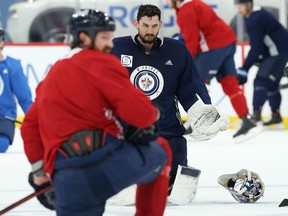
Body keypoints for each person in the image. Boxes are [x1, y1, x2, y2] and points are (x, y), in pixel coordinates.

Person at [21, 9, 173, 216]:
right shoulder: (102, 61)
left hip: (67, 180)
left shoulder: (52, 73)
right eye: (104, 37)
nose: (110, 44)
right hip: (105, 164)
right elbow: (141, 115)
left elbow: (29, 126)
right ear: (84, 37)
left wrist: (40, 176)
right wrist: (154, 113)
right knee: (162, 148)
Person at [111, 4, 229, 204]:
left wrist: (201, 111)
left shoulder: (176, 50)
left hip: (168, 133)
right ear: (136, 24)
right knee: (125, 195)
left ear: (161, 25)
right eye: (145, 25)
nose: (150, 31)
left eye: (154, 26)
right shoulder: (117, 48)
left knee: (180, 194)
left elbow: (189, 89)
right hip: (128, 134)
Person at [165, 0, 259, 141]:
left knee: (194, 82)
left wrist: (185, 63)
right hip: (227, 43)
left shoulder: (186, 11)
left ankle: (201, 121)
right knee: (230, 84)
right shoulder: (195, 4)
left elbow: (192, 40)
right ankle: (247, 119)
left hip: (214, 47)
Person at [235, 0, 288, 126]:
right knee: (271, 84)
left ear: (249, 4)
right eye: (237, 6)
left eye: (241, 6)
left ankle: (256, 115)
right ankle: (275, 115)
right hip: (277, 51)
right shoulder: (257, 14)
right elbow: (266, 39)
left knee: (260, 80)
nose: (239, 9)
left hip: (277, 53)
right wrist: (262, 57)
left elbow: (256, 46)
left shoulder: (255, 18)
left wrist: (245, 68)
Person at [0, 28, 32, 153]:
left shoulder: (12, 66)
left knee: (1, 144)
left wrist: (36, 123)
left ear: (2, 43)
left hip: (4, 118)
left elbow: (25, 99)